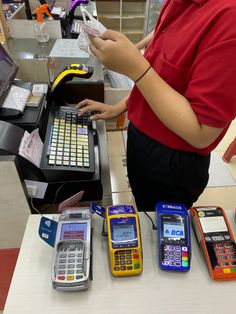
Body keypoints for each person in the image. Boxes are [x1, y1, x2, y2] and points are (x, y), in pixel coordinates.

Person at [77, 0, 236, 211]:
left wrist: (135, 67)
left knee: (157, 227)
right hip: (142, 139)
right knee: (142, 205)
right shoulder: (179, 3)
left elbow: (202, 132)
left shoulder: (228, 20)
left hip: (172, 162)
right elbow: (164, 75)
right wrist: (122, 105)